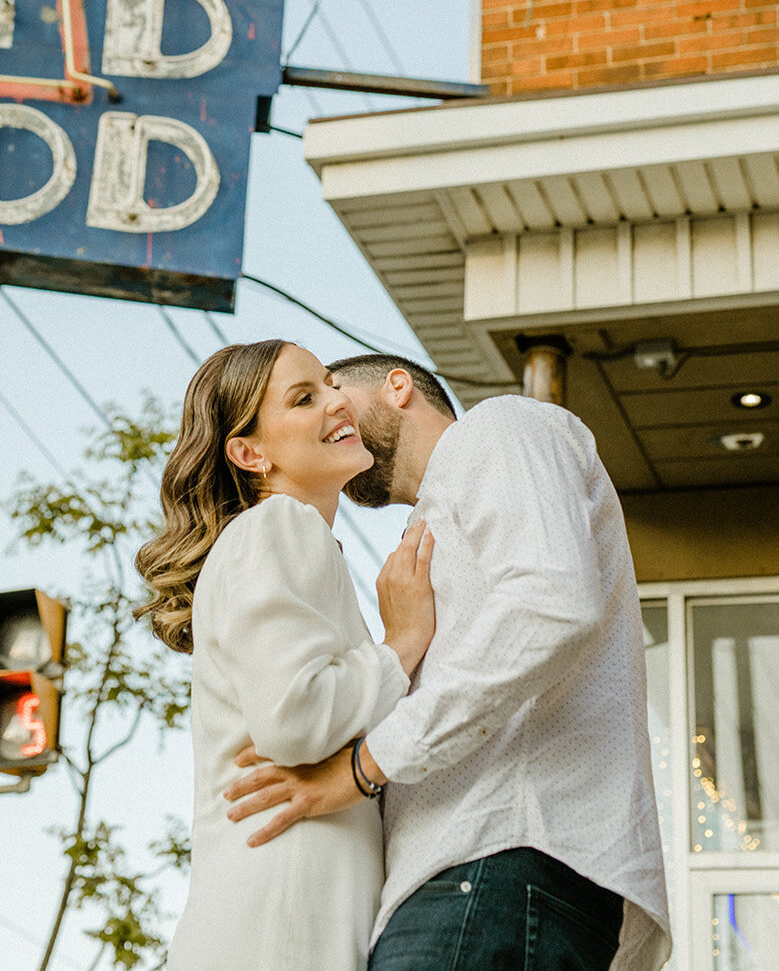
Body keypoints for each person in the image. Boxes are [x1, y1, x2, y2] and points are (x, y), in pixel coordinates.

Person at [226, 354, 672, 971]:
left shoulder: (498, 427)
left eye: (334, 391)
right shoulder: (428, 531)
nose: (331, 412)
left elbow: (550, 602)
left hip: (497, 857)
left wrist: (362, 767)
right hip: (478, 877)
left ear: (398, 387)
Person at [135, 339, 436, 971]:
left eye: (329, 384)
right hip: (283, 914)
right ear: (250, 453)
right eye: (304, 398)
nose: (336, 401)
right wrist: (400, 645)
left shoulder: (288, 540)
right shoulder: (280, 527)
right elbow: (295, 719)